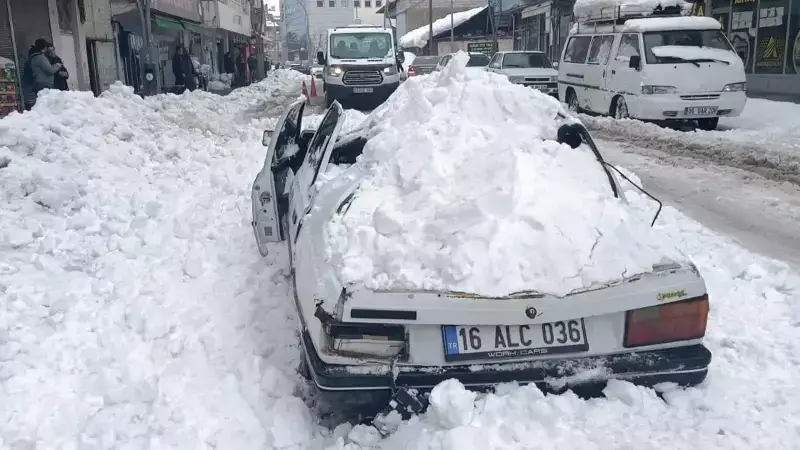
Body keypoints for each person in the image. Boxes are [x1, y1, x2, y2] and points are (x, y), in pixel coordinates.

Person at [22, 38, 62, 109]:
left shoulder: (33, 56)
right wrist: (57, 65)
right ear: (44, 48)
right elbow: (50, 70)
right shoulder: (40, 57)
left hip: (39, 83)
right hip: (43, 84)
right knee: (46, 105)